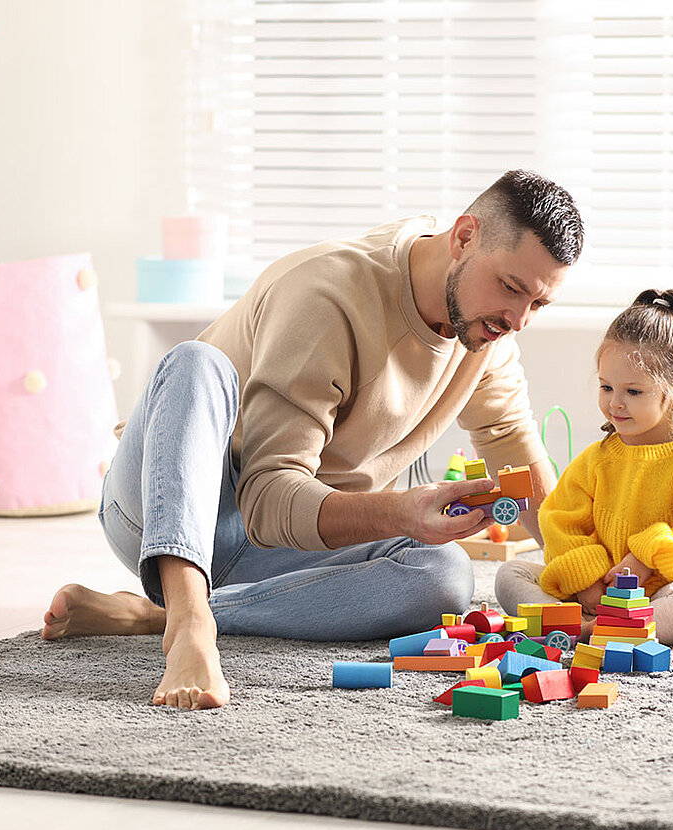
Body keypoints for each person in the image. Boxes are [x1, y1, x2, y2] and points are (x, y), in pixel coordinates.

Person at [41, 170, 585, 710]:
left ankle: (154, 614)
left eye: (538, 304)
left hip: (290, 540)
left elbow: (516, 449)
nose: (517, 320)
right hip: (172, 504)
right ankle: (185, 620)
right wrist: (400, 511)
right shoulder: (326, 293)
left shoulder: (487, 331)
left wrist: (580, 571)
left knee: (444, 575)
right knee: (195, 363)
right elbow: (267, 498)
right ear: (464, 237)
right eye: (511, 288)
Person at [495, 288, 673, 645]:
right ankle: (599, 628)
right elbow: (559, 521)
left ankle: (585, 630)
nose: (615, 403)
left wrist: (646, 556)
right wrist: (586, 578)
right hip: (597, 594)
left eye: (633, 392)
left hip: (663, 593)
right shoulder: (596, 459)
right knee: (510, 574)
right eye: (606, 387)